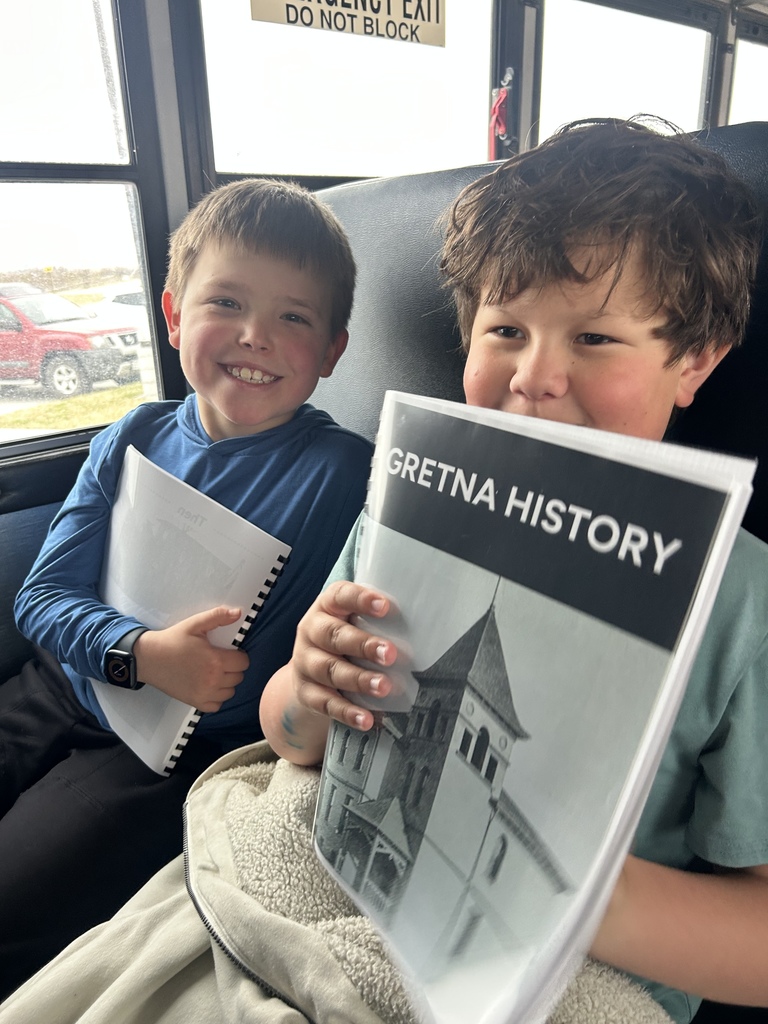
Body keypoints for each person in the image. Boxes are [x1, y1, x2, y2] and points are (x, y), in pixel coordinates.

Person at [260, 118, 768, 1024]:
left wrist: (565, 891)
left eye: (596, 340)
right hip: (349, 907)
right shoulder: (407, 509)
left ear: (694, 361)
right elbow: (292, 739)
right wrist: (304, 682)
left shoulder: (743, 600)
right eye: (504, 329)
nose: (534, 377)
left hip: (583, 984)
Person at [0, 177, 373, 999]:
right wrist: (139, 653)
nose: (255, 336)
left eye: (294, 318)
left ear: (334, 351)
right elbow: (41, 598)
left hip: (163, 757)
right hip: (58, 687)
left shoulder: (345, 475)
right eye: (226, 303)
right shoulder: (131, 434)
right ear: (173, 316)